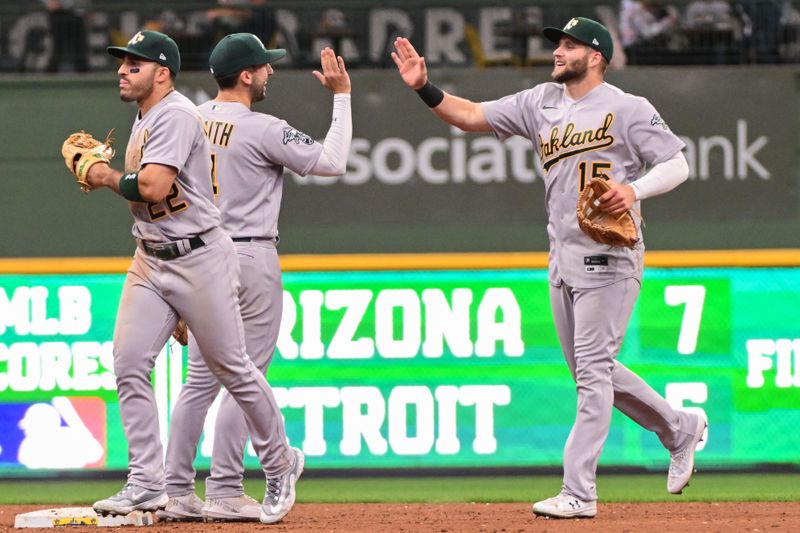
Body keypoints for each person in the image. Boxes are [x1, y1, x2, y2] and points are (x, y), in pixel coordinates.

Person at [391, 17, 707, 520]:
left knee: (592, 376)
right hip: (562, 257)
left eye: (569, 45)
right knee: (591, 371)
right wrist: (424, 88)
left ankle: (579, 491)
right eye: (558, 44)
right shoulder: (540, 102)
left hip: (611, 258)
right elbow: (471, 115)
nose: (558, 52)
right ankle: (679, 428)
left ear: (596, 55)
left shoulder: (628, 109)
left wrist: (634, 189)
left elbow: (677, 163)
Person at [80, 30, 303, 524]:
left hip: (199, 257)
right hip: (150, 258)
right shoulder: (144, 116)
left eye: (134, 64)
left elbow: (155, 187)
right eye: (122, 62)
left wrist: (104, 176)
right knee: (130, 361)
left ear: (162, 72)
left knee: (233, 369)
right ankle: (146, 483)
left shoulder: (179, 114)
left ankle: (280, 462)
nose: (123, 70)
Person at [156, 33, 351, 522]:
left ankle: (176, 490)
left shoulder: (187, 119)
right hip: (248, 257)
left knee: (198, 383)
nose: (270, 72)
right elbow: (332, 162)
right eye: (264, 66)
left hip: (195, 258)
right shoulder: (263, 127)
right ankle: (224, 488)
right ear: (246, 75)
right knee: (247, 378)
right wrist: (342, 96)